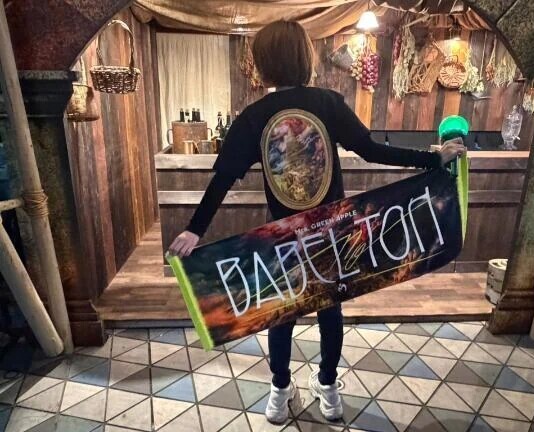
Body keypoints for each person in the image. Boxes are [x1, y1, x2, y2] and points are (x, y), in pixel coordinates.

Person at [169, 20, 466, 425]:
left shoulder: (257, 115)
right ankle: (319, 387)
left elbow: (223, 178)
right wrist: (432, 159)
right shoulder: (325, 104)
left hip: (293, 236)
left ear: (264, 64)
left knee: (282, 313)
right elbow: (372, 150)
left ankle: (288, 389)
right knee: (326, 310)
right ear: (304, 58)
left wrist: (195, 229)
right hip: (326, 233)